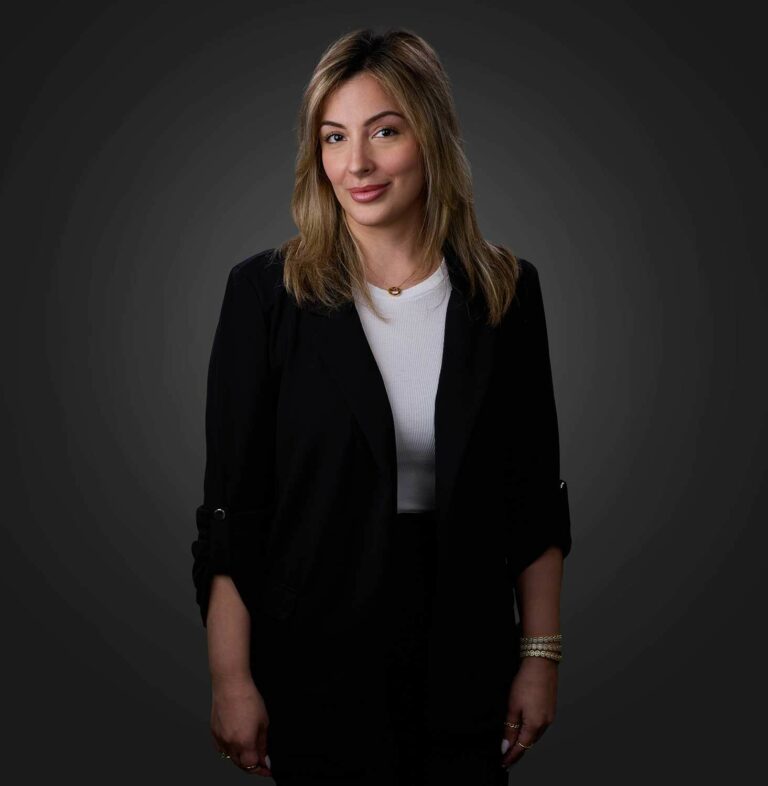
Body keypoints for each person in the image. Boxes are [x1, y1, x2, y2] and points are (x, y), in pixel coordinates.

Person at [191, 27, 573, 786]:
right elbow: (232, 513)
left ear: (430, 137)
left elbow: (534, 498)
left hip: (465, 659)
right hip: (313, 657)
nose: (355, 164)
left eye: (384, 132)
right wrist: (231, 681)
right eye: (334, 137)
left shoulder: (505, 291)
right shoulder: (266, 294)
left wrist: (540, 660)